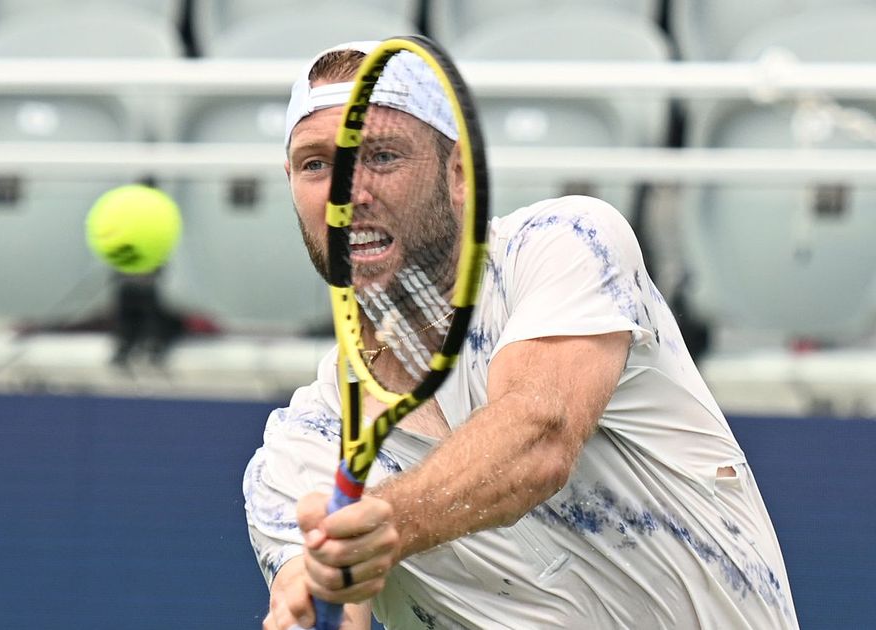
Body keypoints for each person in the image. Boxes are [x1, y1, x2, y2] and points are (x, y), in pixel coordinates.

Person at [243, 41, 799, 630]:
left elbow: (537, 437)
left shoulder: (567, 244)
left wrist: (385, 525)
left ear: (459, 174)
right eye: (315, 165)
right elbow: (327, 600)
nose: (345, 195)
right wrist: (316, 604)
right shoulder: (298, 453)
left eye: (380, 156)